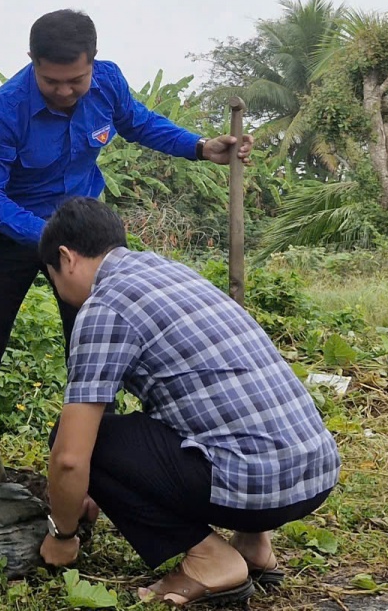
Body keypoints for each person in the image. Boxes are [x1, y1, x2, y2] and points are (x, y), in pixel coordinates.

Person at [0, 9, 252, 479]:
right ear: (31, 62)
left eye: (76, 81)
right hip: (12, 236)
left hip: (88, 236)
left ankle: (98, 467)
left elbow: (138, 122)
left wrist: (199, 146)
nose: (65, 92)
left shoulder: (107, 83)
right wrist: (48, 240)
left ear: (94, 63)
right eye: (52, 82)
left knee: (99, 351)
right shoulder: (3, 112)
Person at [36, 198, 340, 604]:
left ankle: (211, 560)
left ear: (66, 258)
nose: (60, 291)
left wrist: (63, 534)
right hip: (314, 474)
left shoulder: (104, 305)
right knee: (203, 412)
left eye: (53, 278)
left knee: (80, 441)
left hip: (257, 489)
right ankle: (254, 547)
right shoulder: (170, 272)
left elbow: (70, 458)